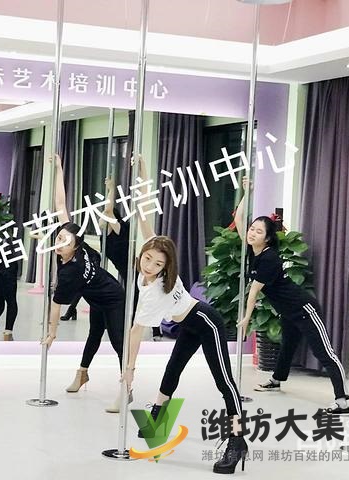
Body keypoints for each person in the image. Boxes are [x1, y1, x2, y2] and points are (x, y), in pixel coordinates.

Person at [123, 156, 246, 474]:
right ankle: (157, 422)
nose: (149, 266)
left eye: (157, 264)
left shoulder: (158, 289)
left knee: (224, 381)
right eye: (147, 259)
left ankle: (237, 440)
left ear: (167, 267)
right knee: (172, 371)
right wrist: (142, 170)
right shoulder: (148, 265)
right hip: (187, 325)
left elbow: (136, 331)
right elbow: (144, 211)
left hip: (206, 321)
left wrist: (130, 369)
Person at [234, 178, 349, 415]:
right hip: (287, 311)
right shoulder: (253, 250)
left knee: (324, 352)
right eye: (252, 229)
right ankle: (276, 380)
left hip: (303, 308)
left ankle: (342, 402)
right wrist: (247, 192)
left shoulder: (269, 258)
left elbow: (254, 290)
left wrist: (246, 318)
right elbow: (238, 219)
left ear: (268, 238)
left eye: (258, 231)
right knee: (287, 345)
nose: (252, 233)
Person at [42, 154, 127, 413]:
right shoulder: (73, 243)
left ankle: (126, 389)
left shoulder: (72, 271)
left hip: (113, 296)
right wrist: (59, 168)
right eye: (59, 238)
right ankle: (82, 374)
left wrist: (52, 333)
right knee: (93, 335)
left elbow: (56, 304)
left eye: (65, 241)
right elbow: (60, 204)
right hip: (97, 298)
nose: (59, 242)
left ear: (76, 245)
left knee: (118, 342)